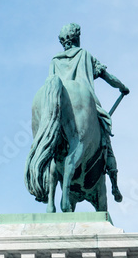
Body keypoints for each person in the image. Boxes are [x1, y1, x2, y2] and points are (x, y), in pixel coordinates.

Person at [50, 23, 129, 202]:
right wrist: (123, 88)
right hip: (86, 107)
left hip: (60, 108)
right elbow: (109, 78)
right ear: (77, 37)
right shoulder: (84, 55)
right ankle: (114, 184)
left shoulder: (55, 60)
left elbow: (50, 86)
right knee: (105, 138)